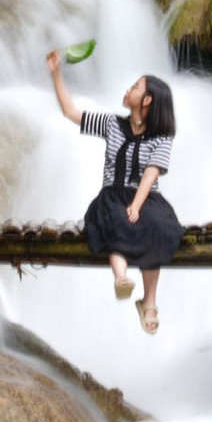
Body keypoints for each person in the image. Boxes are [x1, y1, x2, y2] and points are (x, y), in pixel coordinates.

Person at [45, 50, 183, 334]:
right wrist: (56, 74)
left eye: (135, 87)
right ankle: (121, 278)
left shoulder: (163, 137)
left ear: (146, 101)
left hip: (147, 197)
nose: (128, 89)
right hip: (112, 194)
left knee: (156, 226)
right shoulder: (112, 124)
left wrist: (137, 204)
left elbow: (151, 173)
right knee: (115, 220)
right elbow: (71, 112)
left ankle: (150, 302)